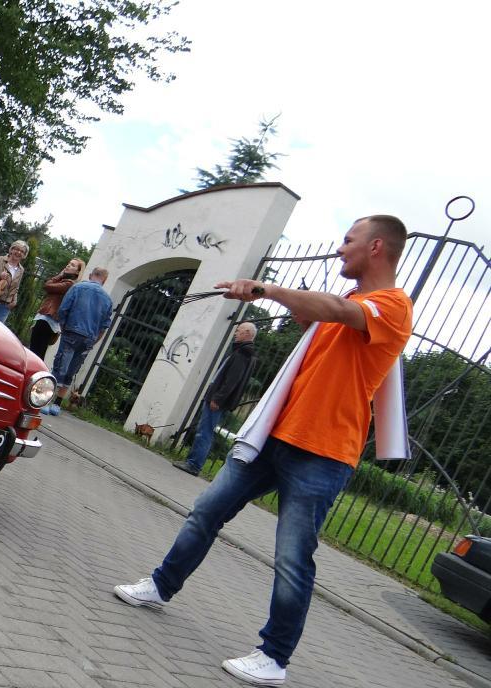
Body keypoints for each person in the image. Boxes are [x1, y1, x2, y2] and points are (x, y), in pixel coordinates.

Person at [114, 216, 413, 687]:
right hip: (275, 436)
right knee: (206, 512)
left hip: (323, 452)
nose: (340, 248)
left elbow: (335, 310)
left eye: (348, 240)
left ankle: (274, 658)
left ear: (376, 247)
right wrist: (295, 309)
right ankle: (160, 586)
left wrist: (267, 290)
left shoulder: (392, 306)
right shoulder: (352, 301)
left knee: (293, 558)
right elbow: (322, 325)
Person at [174, 322, 258, 476]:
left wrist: (218, 398)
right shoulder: (245, 353)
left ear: (247, 333)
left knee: (204, 431)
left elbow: (231, 380)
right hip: (220, 398)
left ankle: (194, 464)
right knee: (205, 430)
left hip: (218, 400)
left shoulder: (242, 354)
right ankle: (193, 462)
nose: (235, 333)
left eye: (238, 331)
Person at [44, 267, 112, 415]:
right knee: (71, 370)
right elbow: (104, 326)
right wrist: (94, 340)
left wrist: (64, 326)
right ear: (105, 280)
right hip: (89, 338)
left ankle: (46, 401)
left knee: (60, 367)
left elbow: (63, 309)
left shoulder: (78, 287)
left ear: (90, 275)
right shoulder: (107, 299)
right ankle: (57, 404)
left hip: (72, 331)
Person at [29, 258, 84, 360]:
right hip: (46, 317)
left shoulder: (69, 284)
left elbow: (47, 286)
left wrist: (59, 275)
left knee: (37, 351)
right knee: (35, 349)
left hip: (49, 319)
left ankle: (35, 369)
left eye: (72, 265)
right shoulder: (64, 280)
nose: (68, 265)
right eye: (69, 263)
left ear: (77, 272)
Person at [0, 240, 28, 324]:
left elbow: (16, 287)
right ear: (11, 249)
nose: (19, 252)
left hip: (4, 307)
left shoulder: (21, 269)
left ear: (24, 255)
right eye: (16, 249)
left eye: (22, 251)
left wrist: (14, 301)